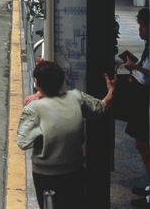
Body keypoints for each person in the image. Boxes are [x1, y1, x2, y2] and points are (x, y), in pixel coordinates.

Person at [17, 60, 116, 209]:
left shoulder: (34, 108)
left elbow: (23, 142)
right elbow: (101, 107)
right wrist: (111, 91)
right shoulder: (75, 97)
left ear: (37, 83)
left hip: (46, 175)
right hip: (74, 170)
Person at [119, 7, 150, 205]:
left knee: (145, 143)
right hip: (143, 97)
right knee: (141, 143)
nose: (140, 30)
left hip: (149, 98)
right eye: (139, 25)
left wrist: (136, 67)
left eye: (143, 26)